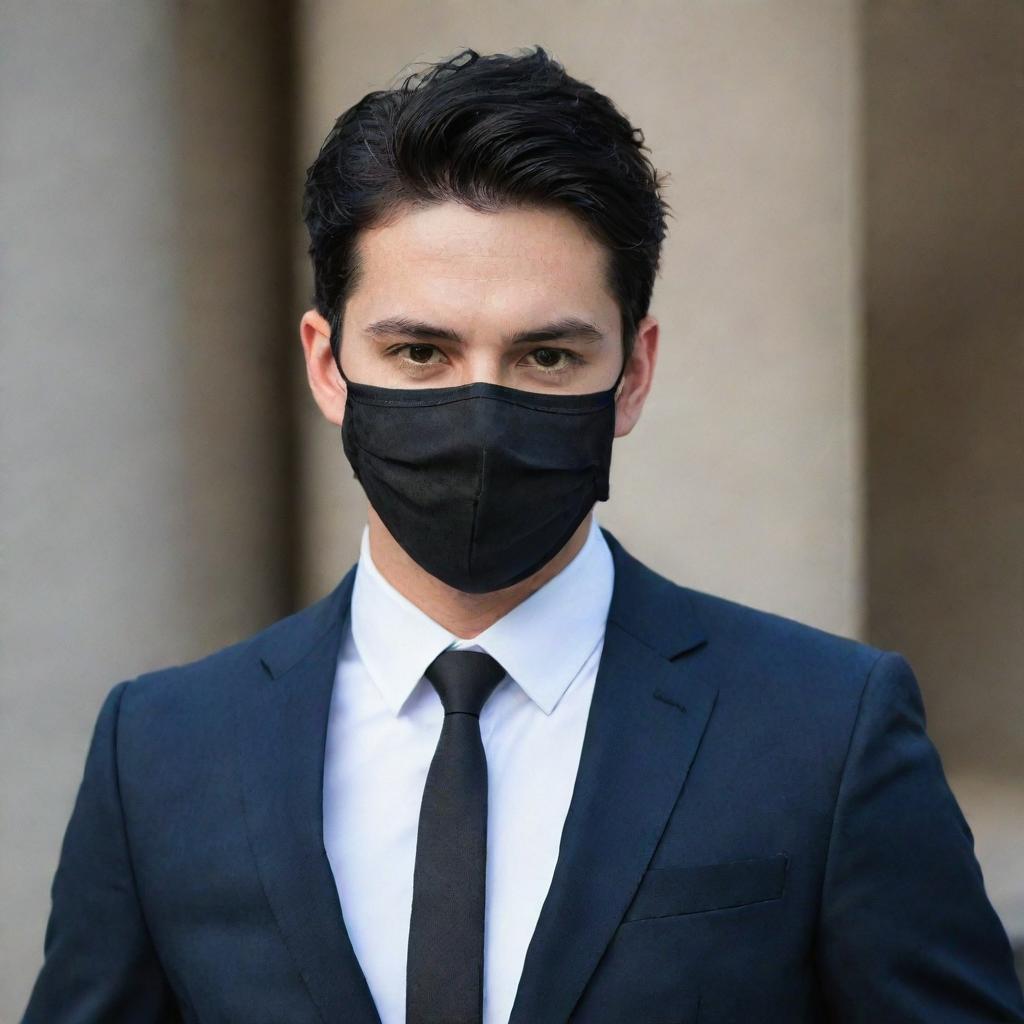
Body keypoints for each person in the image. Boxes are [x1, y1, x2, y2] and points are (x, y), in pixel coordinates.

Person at [21, 46, 1024, 1024]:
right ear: (327, 366)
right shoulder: (161, 752)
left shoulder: (824, 731)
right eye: (419, 350)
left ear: (632, 373)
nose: (481, 410)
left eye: (545, 356)